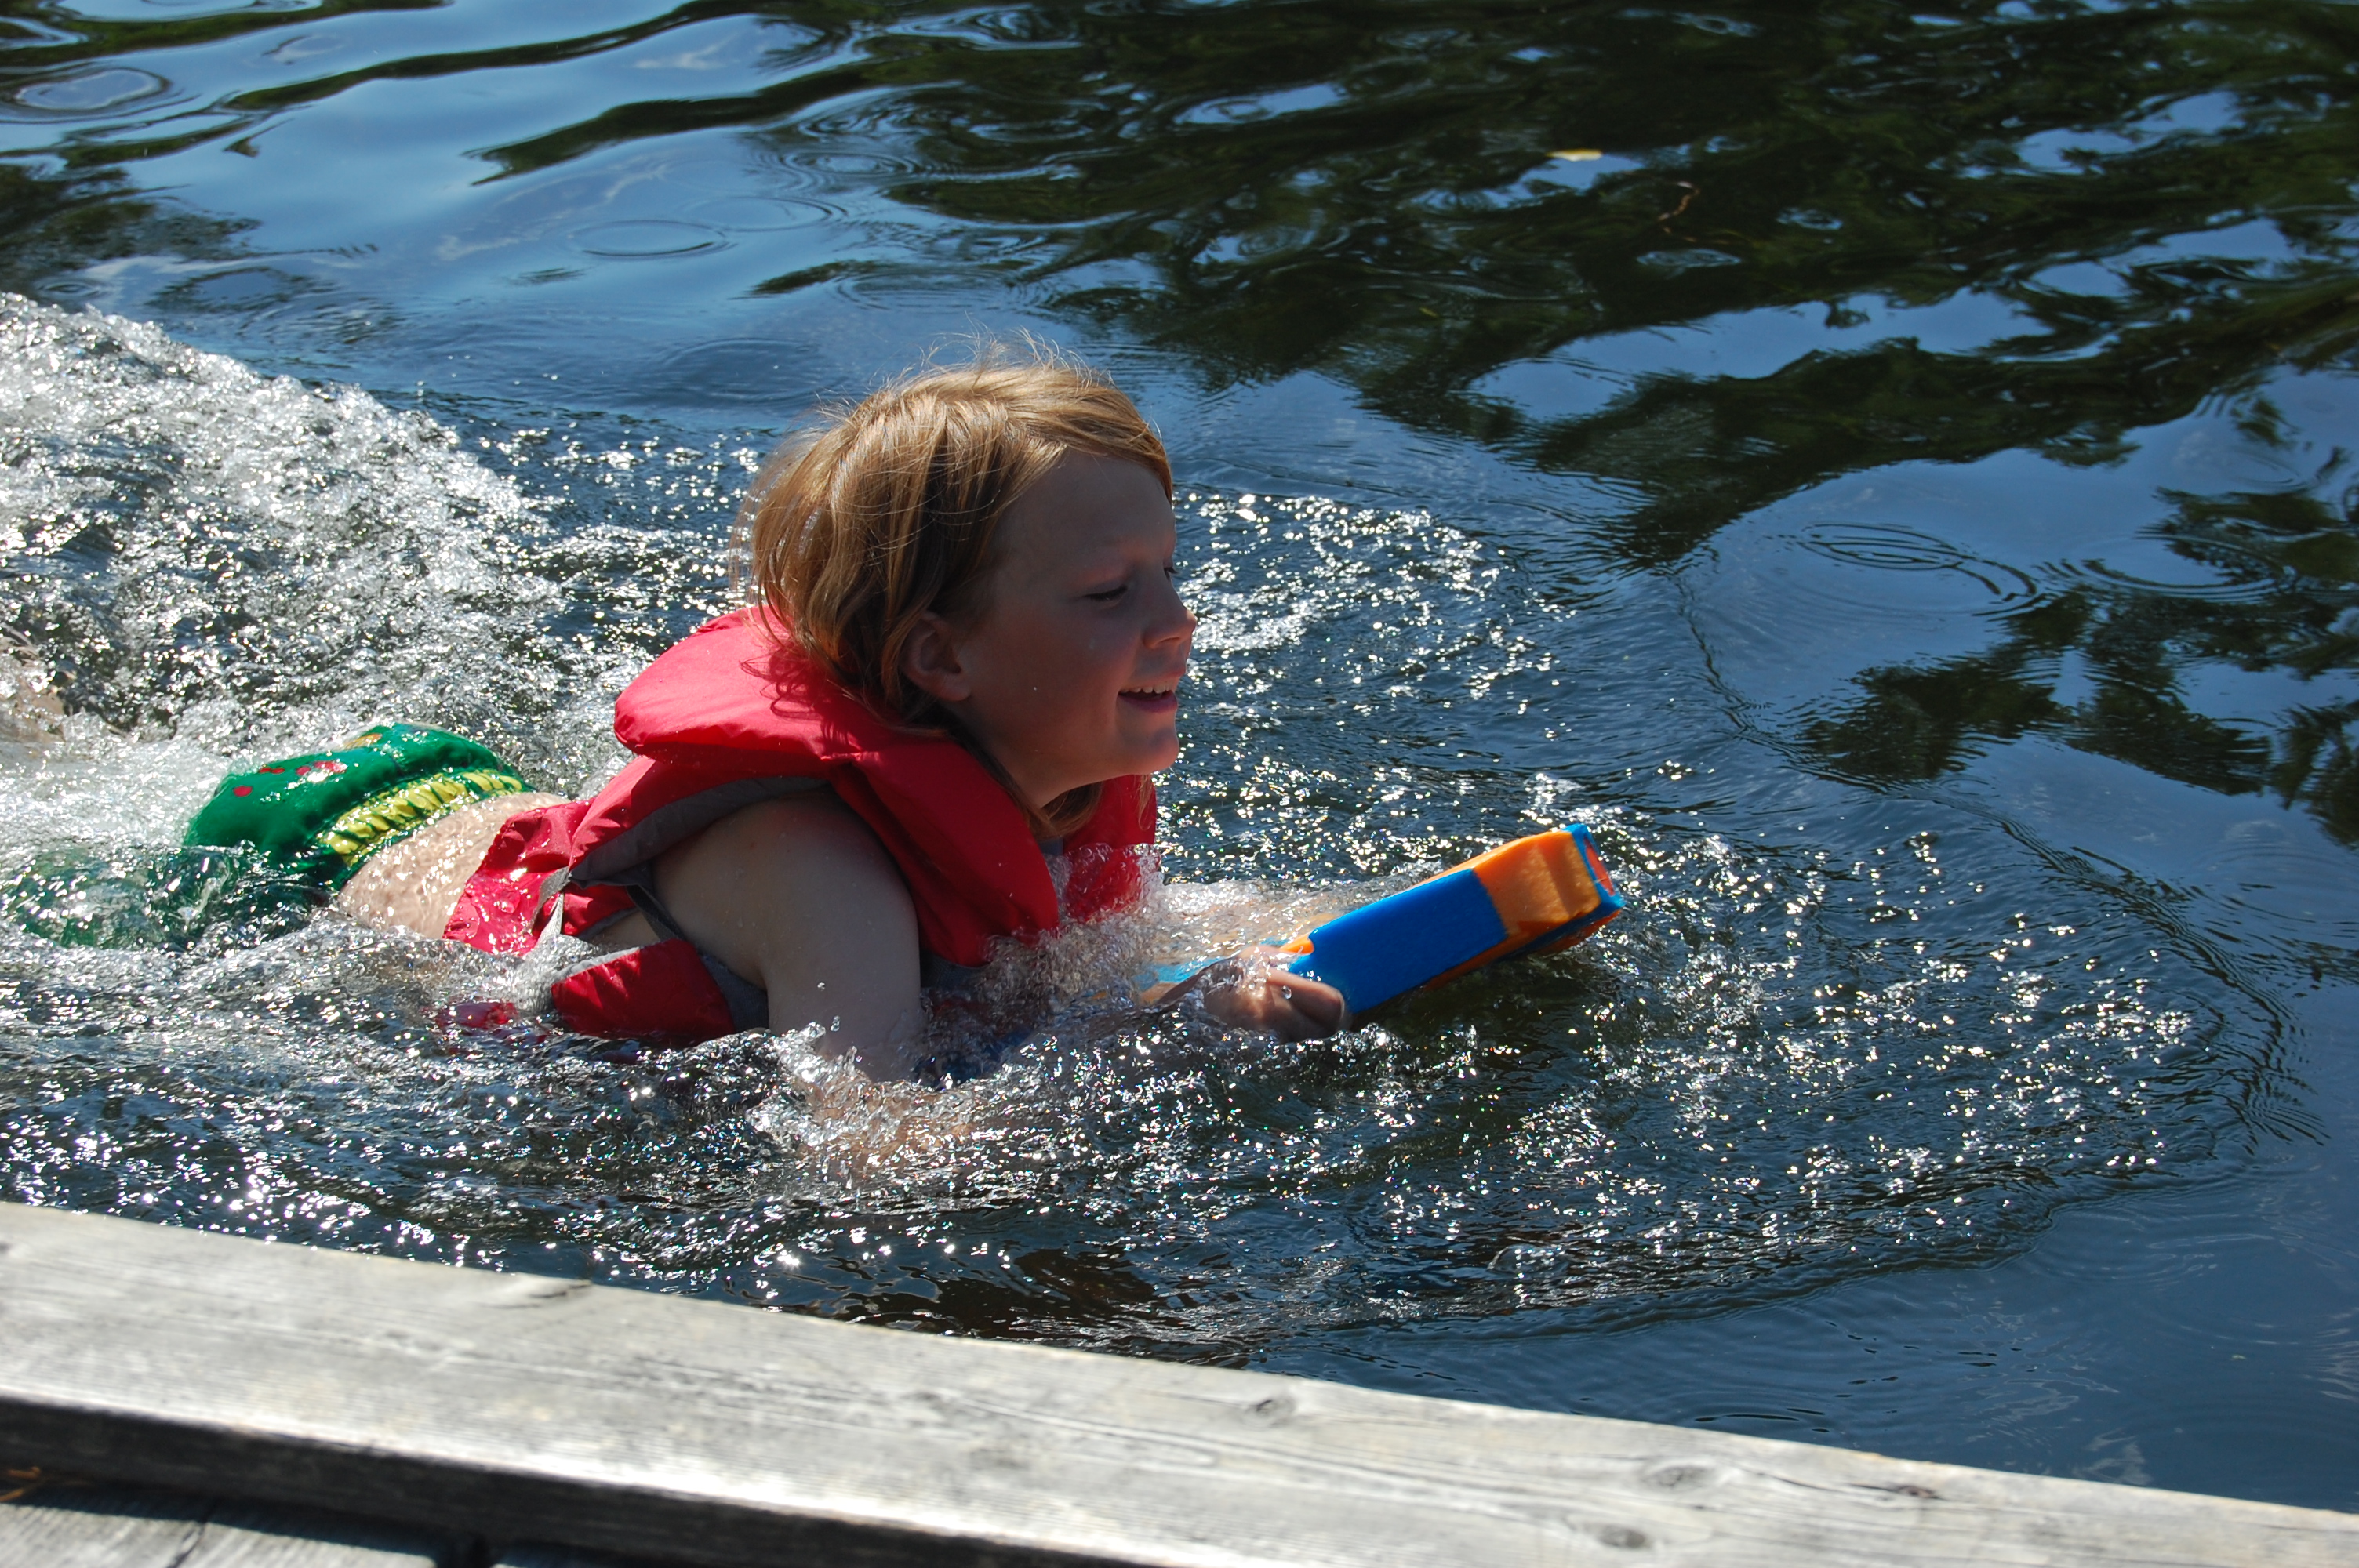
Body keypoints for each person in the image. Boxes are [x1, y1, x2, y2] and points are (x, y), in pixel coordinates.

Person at [185, 351, 1346, 1076]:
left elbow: (1127, 936)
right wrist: (1158, 1037)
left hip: (489, 814)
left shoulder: (1059, 777)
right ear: (941, 656)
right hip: (313, 848)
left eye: (1167, 573)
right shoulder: (822, 869)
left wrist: (1348, 928)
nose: (1179, 620)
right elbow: (865, 1150)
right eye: (1109, 594)